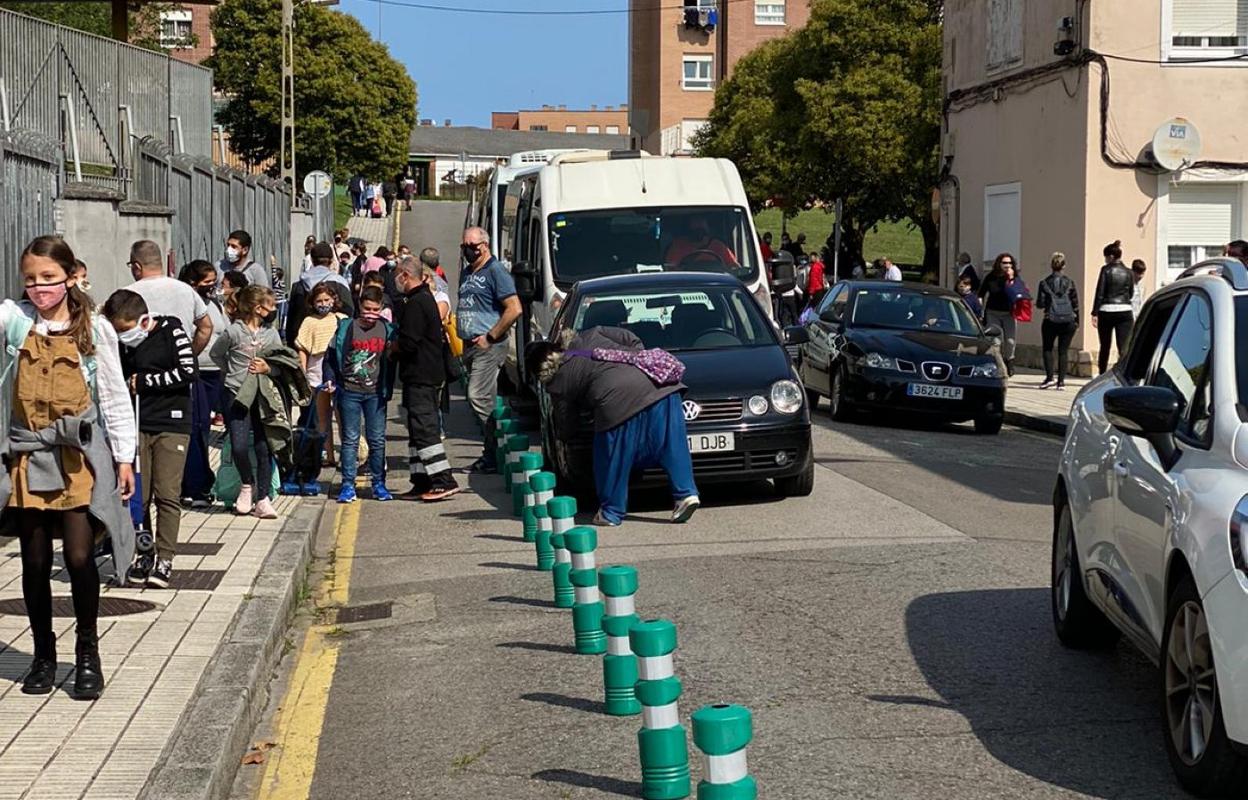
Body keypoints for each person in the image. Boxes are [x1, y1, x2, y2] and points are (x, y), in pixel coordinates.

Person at [1, 236, 136, 700]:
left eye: (49, 279)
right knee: (35, 561)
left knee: (79, 556)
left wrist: (124, 458)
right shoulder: (16, 321)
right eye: (31, 280)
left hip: (78, 454)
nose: (40, 289)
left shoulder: (95, 330)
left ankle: (87, 653)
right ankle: (42, 654)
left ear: (70, 277)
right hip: (29, 452)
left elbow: (115, 397)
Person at [526, 327, 700, 527]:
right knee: (672, 445)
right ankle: (686, 494)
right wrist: (635, 356)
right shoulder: (590, 335)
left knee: (611, 457)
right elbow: (630, 337)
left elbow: (567, 421)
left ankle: (611, 511)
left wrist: (564, 436)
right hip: (661, 387)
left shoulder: (557, 381)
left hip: (616, 402)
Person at [102, 290, 194, 588]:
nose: (122, 337)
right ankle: (144, 552)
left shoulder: (172, 330)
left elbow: (187, 371)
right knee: (137, 495)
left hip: (172, 423)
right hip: (137, 422)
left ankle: (165, 558)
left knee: (167, 492)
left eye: (125, 331)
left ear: (143, 321)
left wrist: (146, 382)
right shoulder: (120, 345)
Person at [210, 286, 282, 519]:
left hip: (262, 395)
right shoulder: (233, 332)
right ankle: (246, 485)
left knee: (263, 446)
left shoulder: (271, 334)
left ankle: (263, 499)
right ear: (257, 308)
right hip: (236, 394)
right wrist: (231, 372)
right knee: (239, 445)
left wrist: (268, 368)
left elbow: (282, 361)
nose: (274, 310)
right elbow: (216, 354)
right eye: (270, 306)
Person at [394, 258, 461, 501]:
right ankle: (421, 480)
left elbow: (409, 342)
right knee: (415, 431)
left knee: (424, 429)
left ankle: (443, 479)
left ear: (404, 275)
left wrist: (393, 347)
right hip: (423, 374)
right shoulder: (422, 299)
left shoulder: (416, 303)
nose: (396, 281)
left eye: (397, 276)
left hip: (422, 375)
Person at [456, 227, 522, 473]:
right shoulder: (467, 272)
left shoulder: (495, 271)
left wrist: (491, 335)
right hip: (470, 346)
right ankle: (492, 454)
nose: (468, 250)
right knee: (486, 399)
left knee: (477, 396)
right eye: (464, 246)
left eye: (472, 246)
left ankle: (499, 441)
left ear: (484, 245)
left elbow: (514, 308)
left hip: (489, 345)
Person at [325, 286, 396, 503]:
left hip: (376, 393)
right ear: (359, 306)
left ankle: (379, 484)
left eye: (375, 309)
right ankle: (348, 485)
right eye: (367, 309)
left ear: (381, 309)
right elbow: (330, 356)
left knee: (377, 440)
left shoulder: (388, 330)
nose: (370, 314)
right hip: (349, 391)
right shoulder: (347, 328)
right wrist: (330, 378)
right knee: (350, 440)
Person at [177, 260, 227, 506]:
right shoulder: (187, 303)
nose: (212, 286)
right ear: (192, 283)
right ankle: (193, 483)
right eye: (207, 282)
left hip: (216, 373)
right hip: (196, 372)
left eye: (213, 281)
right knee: (197, 428)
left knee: (205, 429)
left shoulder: (214, 304)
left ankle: (200, 479)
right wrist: (192, 357)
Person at [125, 239, 212, 355]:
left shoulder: (127, 294)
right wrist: (190, 355)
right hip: (181, 365)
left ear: (137, 267)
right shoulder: (186, 290)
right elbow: (206, 327)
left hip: (143, 366)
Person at [295, 283, 347, 467]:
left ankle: (347, 454)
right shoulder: (309, 321)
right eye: (319, 301)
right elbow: (302, 347)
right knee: (322, 415)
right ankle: (328, 454)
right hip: (316, 367)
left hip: (337, 366)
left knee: (342, 413)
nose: (323, 304)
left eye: (327, 300)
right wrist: (302, 370)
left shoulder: (342, 319)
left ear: (334, 300)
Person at [286, 242, 353, 346]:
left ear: (312, 260)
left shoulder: (298, 286)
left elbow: (292, 320)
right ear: (331, 261)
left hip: (304, 344)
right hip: (332, 343)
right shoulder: (340, 283)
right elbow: (349, 312)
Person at [1036, 252, 1080, 390]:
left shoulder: (1044, 283)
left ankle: (1050, 378)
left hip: (1051, 319)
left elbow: (1041, 303)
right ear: (1064, 266)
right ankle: (1061, 382)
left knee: (1048, 348)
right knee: (1063, 351)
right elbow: (1075, 303)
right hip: (1068, 320)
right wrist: (1077, 320)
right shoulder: (1070, 282)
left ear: (1051, 266)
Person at [1091, 240, 1134, 374]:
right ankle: (1125, 372)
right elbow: (1131, 292)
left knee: (1105, 346)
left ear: (1110, 256)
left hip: (1107, 310)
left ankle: (1102, 373)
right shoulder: (1129, 272)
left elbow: (1100, 292)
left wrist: (1094, 312)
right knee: (1123, 347)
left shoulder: (1106, 270)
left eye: (1105, 257)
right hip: (1125, 310)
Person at [979, 253, 1019, 374]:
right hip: (993, 312)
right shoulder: (991, 277)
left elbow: (1018, 293)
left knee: (1010, 341)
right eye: (1004, 263)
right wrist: (980, 308)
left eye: (1010, 263)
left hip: (1009, 313)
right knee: (996, 341)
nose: (1007, 265)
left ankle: (1009, 360)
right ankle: (997, 362)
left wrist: (1011, 278)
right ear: (999, 264)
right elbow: (981, 293)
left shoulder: (1015, 277)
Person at [664, 217, 739, 267]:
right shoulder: (678, 246)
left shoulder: (718, 246)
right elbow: (670, 270)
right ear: (688, 226)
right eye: (696, 221)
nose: (699, 224)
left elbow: (734, 268)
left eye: (702, 221)